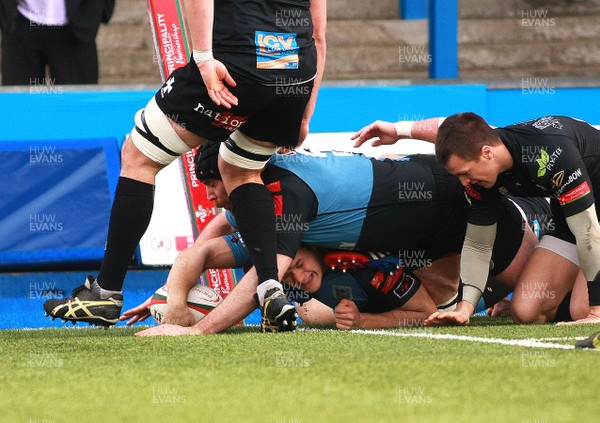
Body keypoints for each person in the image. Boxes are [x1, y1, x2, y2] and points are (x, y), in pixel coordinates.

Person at [43, 0, 327, 332]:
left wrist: (204, 58)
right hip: (295, 67)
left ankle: (105, 293)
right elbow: (319, 33)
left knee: (139, 156)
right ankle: (270, 290)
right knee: (242, 171)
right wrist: (306, 112)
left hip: (239, 55)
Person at [122, 143, 586, 335]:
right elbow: (213, 237)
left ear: (232, 172)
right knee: (509, 301)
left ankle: (562, 235)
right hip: (425, 223)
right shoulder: (266, 190)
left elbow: (271, 272)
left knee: (536, 304)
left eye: (216, 189)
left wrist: (197, 333)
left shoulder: (284, 194)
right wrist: (172, 297)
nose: (217, 200)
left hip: (451, 208)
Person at [352, 114, 599, 327]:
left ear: (487, 153)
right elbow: (479, 245)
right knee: (526, 312)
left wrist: (595, 310)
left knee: (584, 309)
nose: (463, 182)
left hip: (589, 221)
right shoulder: (485, 158)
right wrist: (465, 308)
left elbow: (588, 231)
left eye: (465, 174)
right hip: (571, 216)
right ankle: (579, 281)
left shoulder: (549, 152)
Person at [0, 0, 115, 85]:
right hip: (19, 18)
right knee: (22, 107)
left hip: (76, 21)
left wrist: (100, 8)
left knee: (76, 106)